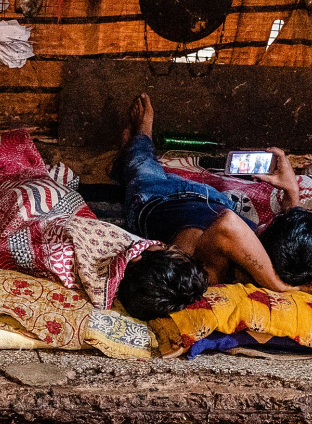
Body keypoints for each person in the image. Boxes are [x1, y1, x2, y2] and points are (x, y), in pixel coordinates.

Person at [114, 94, 301, 320]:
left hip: (154, 200)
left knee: (140, 164)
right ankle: (128, 154)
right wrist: (278, 286)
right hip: (214, 202)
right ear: (170, 251)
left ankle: (139, 139)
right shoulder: (207, 266)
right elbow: (230, 222)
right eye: (144, 256)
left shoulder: (179, 272)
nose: (139, 253)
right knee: (140, 166)